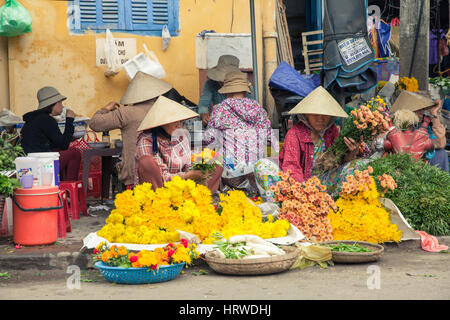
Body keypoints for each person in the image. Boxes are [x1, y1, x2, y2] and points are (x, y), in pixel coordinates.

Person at [88, 72, 174, 189]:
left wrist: (106, 109)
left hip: (135, 176)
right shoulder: (167, 110)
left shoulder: (126, 113)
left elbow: (95, 124)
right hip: (167, 172)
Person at [135, 96, 223, 192]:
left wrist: (199, 169)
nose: (179, 125)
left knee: (216, 160)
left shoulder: (180, 136)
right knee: (146, 162)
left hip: (183, 187)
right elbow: (162, 178)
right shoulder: (146, 141)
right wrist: (187, 176)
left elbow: (188, 163)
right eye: (174, 121)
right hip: (162, 191)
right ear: (160, 124)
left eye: (180, 121)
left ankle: (202, 199)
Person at [279, 86, 361, 184]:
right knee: (262, 165)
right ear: (306, 115)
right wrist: (303, 190)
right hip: (300, 185)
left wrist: (352, 153)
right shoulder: (294, 133)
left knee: (357, 165)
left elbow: (340, 163)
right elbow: (291, 167)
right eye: (315, 114)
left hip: (324, 183)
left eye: (325, 115)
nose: (320, 119)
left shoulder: (332, 131)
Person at [203, 70, 278, 167]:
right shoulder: (258, 109)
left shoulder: (220, 109)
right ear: (244, 90)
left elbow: (209, 138)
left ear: (227, 91)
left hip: (229, 168)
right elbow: (271, 139)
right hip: (255, 166)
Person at [20, 86, 81, 181]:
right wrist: (69, 120)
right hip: (40, 163)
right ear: (52, 105)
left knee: (58, 150)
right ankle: (69, 187)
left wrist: (69, 137)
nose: (62, 106)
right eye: (60, 102)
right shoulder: (47, 120)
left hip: (32, 160)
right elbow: (64, 145)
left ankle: (62, 185)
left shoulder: (34, 119)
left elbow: (54, 143)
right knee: (75, 153)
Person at [389, 90, 448, 171]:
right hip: (400, 166)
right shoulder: (394, 125)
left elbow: (440, 143)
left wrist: (434, 113)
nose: (422, 112)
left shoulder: (419, 125)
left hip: (419, 163)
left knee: (441, 153)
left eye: (423, 109)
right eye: (418, 109)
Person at [198, 55, 252, 126]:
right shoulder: (210, 83)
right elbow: (203, 104)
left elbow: (250, 108)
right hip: (219, 122)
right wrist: (203, 114)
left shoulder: (243, 85)